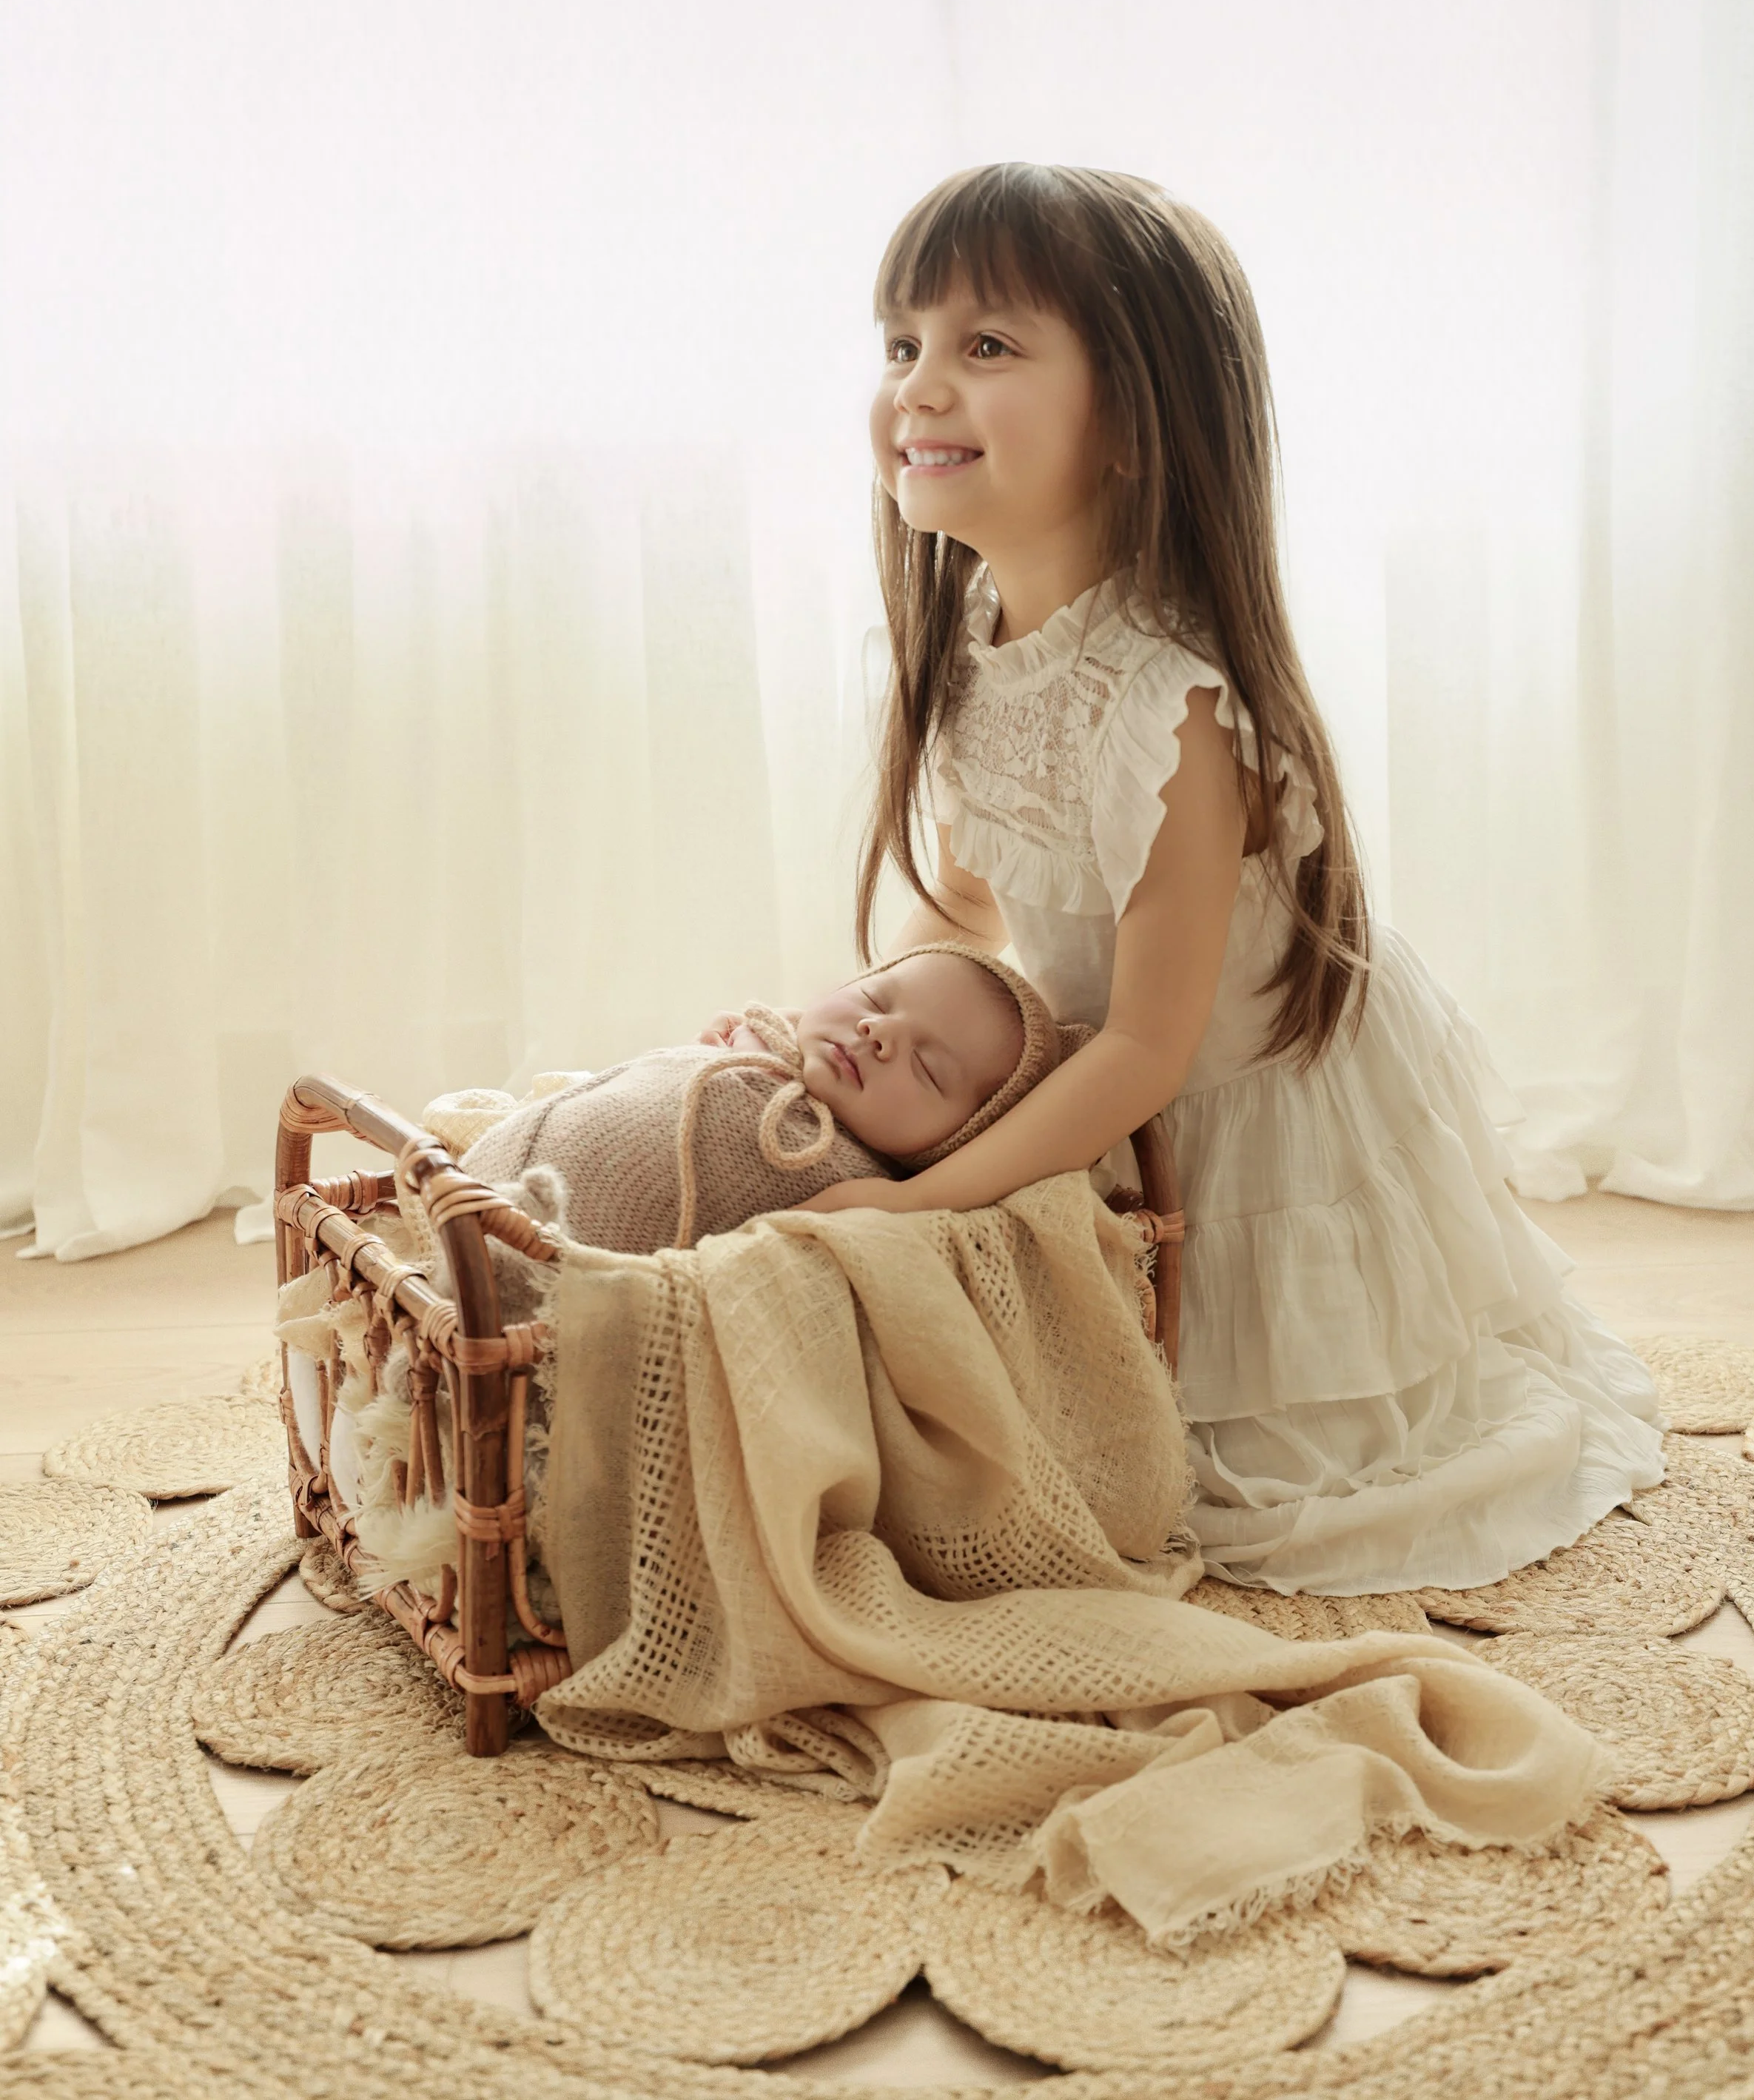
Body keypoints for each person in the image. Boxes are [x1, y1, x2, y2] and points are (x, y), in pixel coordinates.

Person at [802, 161, 1662, 1596]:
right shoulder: (971, 646)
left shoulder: (1170, 707)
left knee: (1188, 1477)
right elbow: (959, 911)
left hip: (1220, 1110)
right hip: (1095, 1082)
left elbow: (1148, 1048)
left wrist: (922, 1201)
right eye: (901, 344)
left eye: (985, 346)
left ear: (1134, 424)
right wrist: (844, 1038)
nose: (919, 387)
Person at [447, 940, 1086, 1258]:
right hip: (487, 1187)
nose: (878, 1033)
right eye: (875, 1000)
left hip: (566, 1266)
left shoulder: (852, 1191)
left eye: (926, 1065)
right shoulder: (765, 1041)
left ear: (950, 1145)